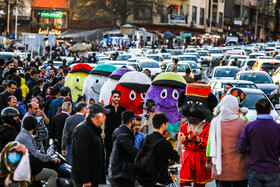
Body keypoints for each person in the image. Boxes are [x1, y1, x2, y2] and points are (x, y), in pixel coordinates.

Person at [207, 95, 248, 187]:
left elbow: (210, 142)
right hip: (239, 168)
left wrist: (208, 161)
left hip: (221, 168)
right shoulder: (243, 122)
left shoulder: (215, 122)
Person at [239, 98, 280, 187]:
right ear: (270, 110)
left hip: (254, 169)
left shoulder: (249, 127)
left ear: (257, 111)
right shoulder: (277, 127)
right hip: (273, 170)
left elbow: (241, 148)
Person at [72, 103, 109, 187]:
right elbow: (81, 156)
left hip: (93, 177)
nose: (105, 117)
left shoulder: (94, 129)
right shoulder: (83, 130)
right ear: (97, 117)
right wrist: (86, 180)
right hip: (85, 180)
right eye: (103, 115)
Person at [16, 116, 59, 187]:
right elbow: (34, 154)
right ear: (34, 126)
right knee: (53, 174)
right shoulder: (26, 137)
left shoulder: (22, 134)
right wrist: (50, 158)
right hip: (27, 170)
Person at [141, 113, 181, 186]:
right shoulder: (165, 143)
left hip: (147, 179)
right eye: (166, 124)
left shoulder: (146, 139)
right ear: (163, 125)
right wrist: (180, 143)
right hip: (160, 180)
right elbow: (178, 160)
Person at [111, 110, 138, 186]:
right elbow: (133, 152)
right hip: (123, 175)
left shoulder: (120, 133)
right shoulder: (124, 136)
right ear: (132, 121)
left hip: (119, 172)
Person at [104, 89, 126, 174]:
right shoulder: (107, 108)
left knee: (119, 151)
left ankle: (117, 169)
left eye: (118, 97)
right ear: (112, 97)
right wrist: (102, 132)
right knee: (108, 151)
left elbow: (124, 122)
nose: (116, 98)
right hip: (108, 132)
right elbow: (103, 121)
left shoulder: (122, 109)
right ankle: (106, 169)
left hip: (119, 133)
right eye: (115, 97)